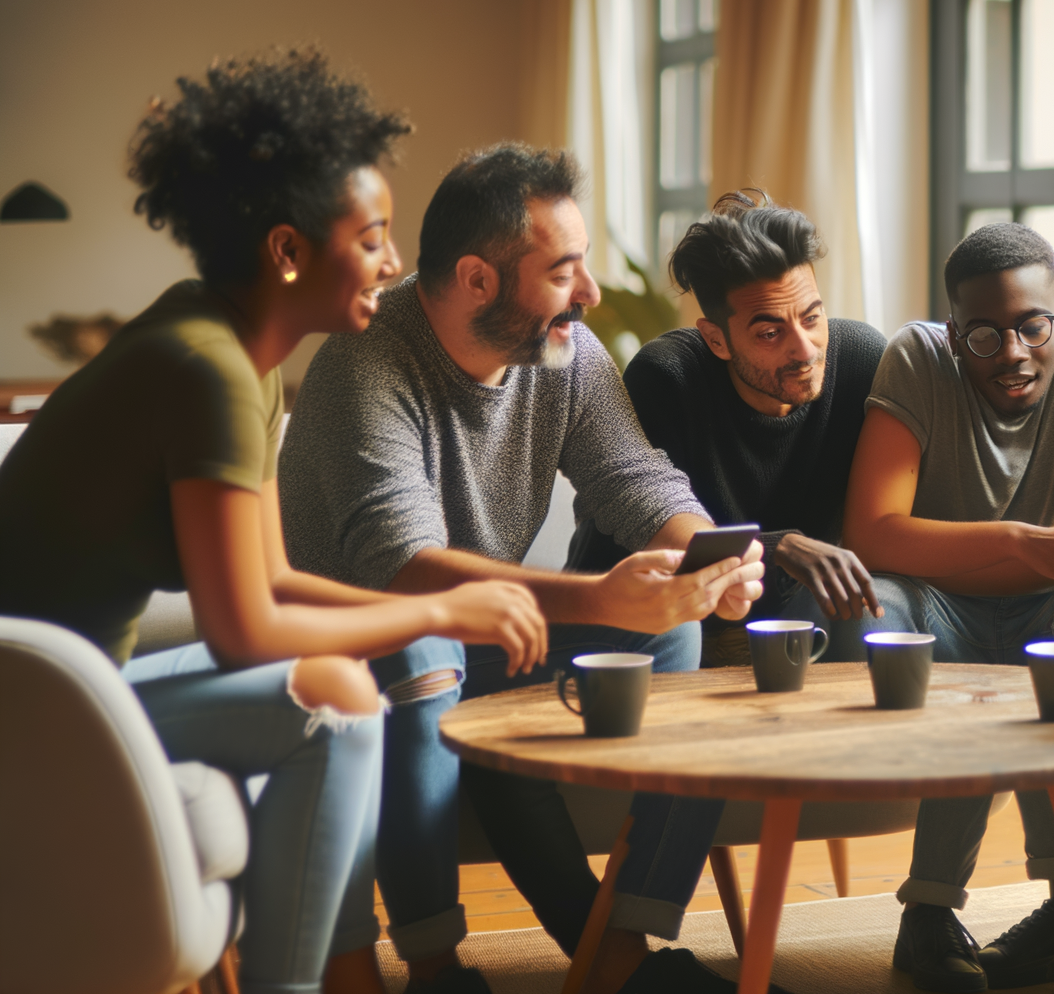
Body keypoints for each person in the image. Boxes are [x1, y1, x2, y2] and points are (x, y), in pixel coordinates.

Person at [0, 50, 549, 994]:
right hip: (31, 706)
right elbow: (243, 628)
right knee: (332, 712)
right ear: (289, 251)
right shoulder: (205, 367)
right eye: (372, 236)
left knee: (336, 681)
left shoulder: (239, 355)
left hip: (78, 685)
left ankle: (338, 977)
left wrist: (455, 598)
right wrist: (440, 614)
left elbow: (275, 581)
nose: (392, 262)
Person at [278, 144, 764, 994]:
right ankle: (434, 961)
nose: (591, 292)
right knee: (428, 651)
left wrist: (706, 555)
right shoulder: (366, 366)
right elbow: (406, 571)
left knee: (675, 629)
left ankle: (621, 945)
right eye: (564, 270)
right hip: (363, 650)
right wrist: (596, 596)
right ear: (477, 279)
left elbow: (632, 476)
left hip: (493, 640)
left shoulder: (565, 355)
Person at [830, 222, 1054, 994]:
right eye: (986, 337)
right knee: (877, 613)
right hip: (934, 606)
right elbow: (874, 535)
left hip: (1049, 608)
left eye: (1034, 326)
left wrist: (1020, 556)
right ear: (952, 332)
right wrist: (1018, 542)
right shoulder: (916, 356)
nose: (1017, 353)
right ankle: (932, 912)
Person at [567, 188, 887, 636]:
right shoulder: (667, 379)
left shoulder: (862, 361)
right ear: (716, 340)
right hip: (635, 620)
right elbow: (653, 544)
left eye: (812, 318)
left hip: (784, 619)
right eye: (771, 333)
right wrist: (778, 548)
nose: (805, 349)